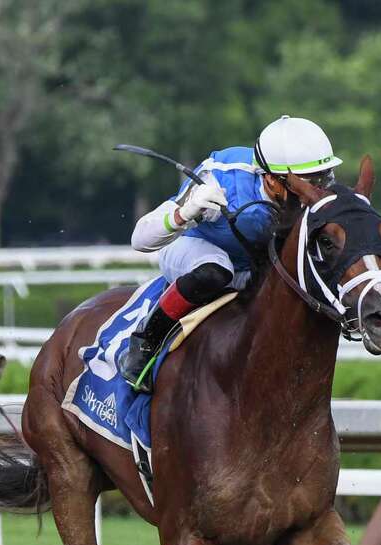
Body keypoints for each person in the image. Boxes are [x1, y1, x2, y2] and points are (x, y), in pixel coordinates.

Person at [119, 115, 341, 393]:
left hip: (253, 268)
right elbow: (140, 240)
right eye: (309, 183)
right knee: (216, 272)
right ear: (272, 180)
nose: (317, 191)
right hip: (195, 250)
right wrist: (185, 213)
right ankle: (146, 340)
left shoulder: (306, 194)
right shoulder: (222, 178)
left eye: (324, 178)